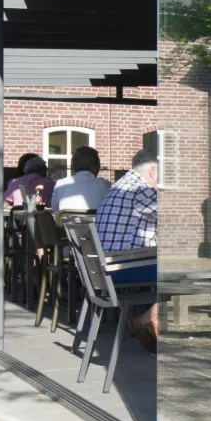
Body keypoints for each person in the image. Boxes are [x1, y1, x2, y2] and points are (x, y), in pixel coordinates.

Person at [95, 148, 160, 350]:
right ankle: (145, 320)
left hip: (104, 268)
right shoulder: (142, 189)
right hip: (122, 267)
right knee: (183, 273)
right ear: (153, 171)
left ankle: (153, 321)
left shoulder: (120, 185)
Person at [50, 145, 110, 212]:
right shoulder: (106, 186)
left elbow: (55, 210)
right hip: (95, 219)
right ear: (95, 167)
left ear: (73, 166)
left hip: (67, 219)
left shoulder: (61, 184)